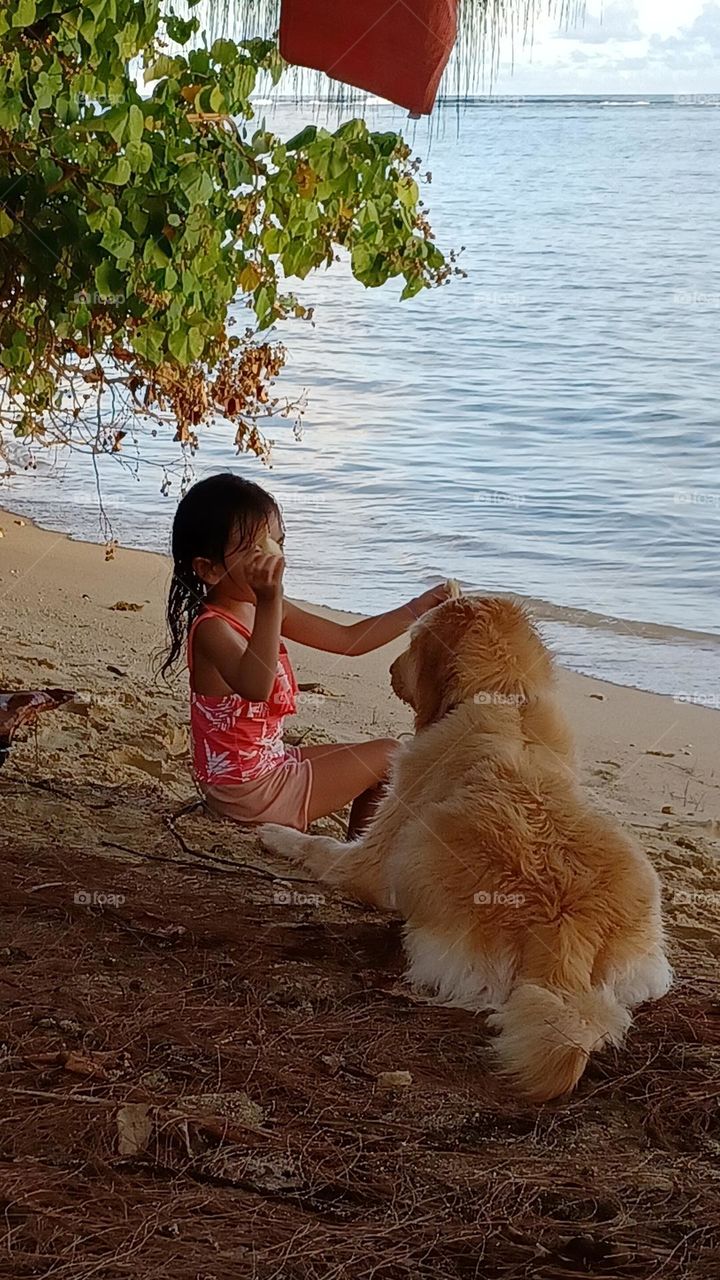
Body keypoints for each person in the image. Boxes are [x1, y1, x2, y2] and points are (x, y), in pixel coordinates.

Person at [163, 472, 452, 837]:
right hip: (246, 792)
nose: (275, 558)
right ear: (210, 569)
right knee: (393, 755)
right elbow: (256, 685)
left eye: (278, 544)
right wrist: (270, 600)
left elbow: (349, 640)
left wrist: (416, 608)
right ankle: (361, 860)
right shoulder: (212, 629)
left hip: (269, 763)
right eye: (257, 552)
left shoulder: (266, 609)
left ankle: (359, 851)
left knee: (386, 757)